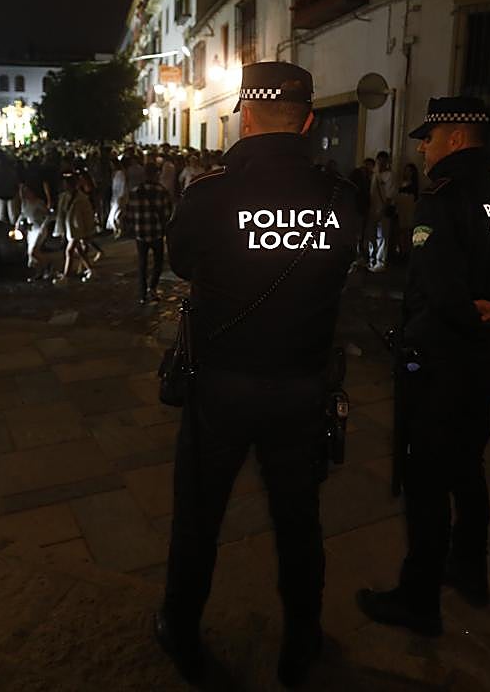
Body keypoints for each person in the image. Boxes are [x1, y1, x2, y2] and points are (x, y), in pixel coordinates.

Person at [155, 62, 358, 687]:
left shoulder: (209, 196)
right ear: (308, 120)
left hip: (221, 388)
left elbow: (182, 261)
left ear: (244, 114)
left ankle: (182, 634)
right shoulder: (341, 197)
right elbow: (344, 262)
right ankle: (302, 641)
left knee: (199, 516)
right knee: (300, 521)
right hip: (301, 387)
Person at [359, 96, 490, 637]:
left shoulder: (441, 198)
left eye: (429, 136)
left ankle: (418, 598)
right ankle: (470, 571)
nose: (422, 145)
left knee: (427, 481)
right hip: (483, 363)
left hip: (437, 363)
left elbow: (438, 288)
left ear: (455, 139)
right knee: (468, 468)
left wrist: (472, 316)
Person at [125, 162, 173, 305]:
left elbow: (129, 214)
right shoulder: (161, 191)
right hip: (157, 233)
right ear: (156, 174)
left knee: (142, 263)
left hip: (141, 233)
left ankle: (142, 294)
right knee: (158, 263)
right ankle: (152, 288)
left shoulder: (134, 192)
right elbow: (167, 214)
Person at [367, 151, 396, 272]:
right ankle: (371, 259)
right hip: (373, 209)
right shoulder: (375, 175)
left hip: (383, 210)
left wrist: (384, 208)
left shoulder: (390, 176)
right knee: (371, 235)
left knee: (382, 236)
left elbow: (390, 195)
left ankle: (380, 262)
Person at [348, 158, 374, 268]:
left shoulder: (365, 177)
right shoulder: (363, 178)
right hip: (360, 208)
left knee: (360, 234)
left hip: (360, 208)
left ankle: (359, 256)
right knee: (360, 233)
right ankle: (359, 256)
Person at [396, 162, 420, 259]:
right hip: (402, 208)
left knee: (408, 231)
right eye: (406, 170)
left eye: (410, 171)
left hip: (409, 208)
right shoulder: (401, 183)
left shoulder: (414, 185)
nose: (408, 172)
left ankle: (407, 252)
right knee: (401, 231)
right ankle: (402, 251)